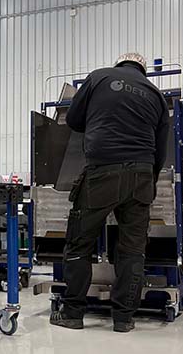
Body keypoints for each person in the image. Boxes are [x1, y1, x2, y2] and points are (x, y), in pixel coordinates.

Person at [50, 53, 169, 333]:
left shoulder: (98, 77)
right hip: (141, 176)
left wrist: (98, 122)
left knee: (80, 243)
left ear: (119, 64)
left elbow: (74, 119)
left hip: (102, 172)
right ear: (143, 70)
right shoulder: (156, 94)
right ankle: (124, 318)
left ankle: (73, 313)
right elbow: (161, 148)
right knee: (132, 250)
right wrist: (148, 180)